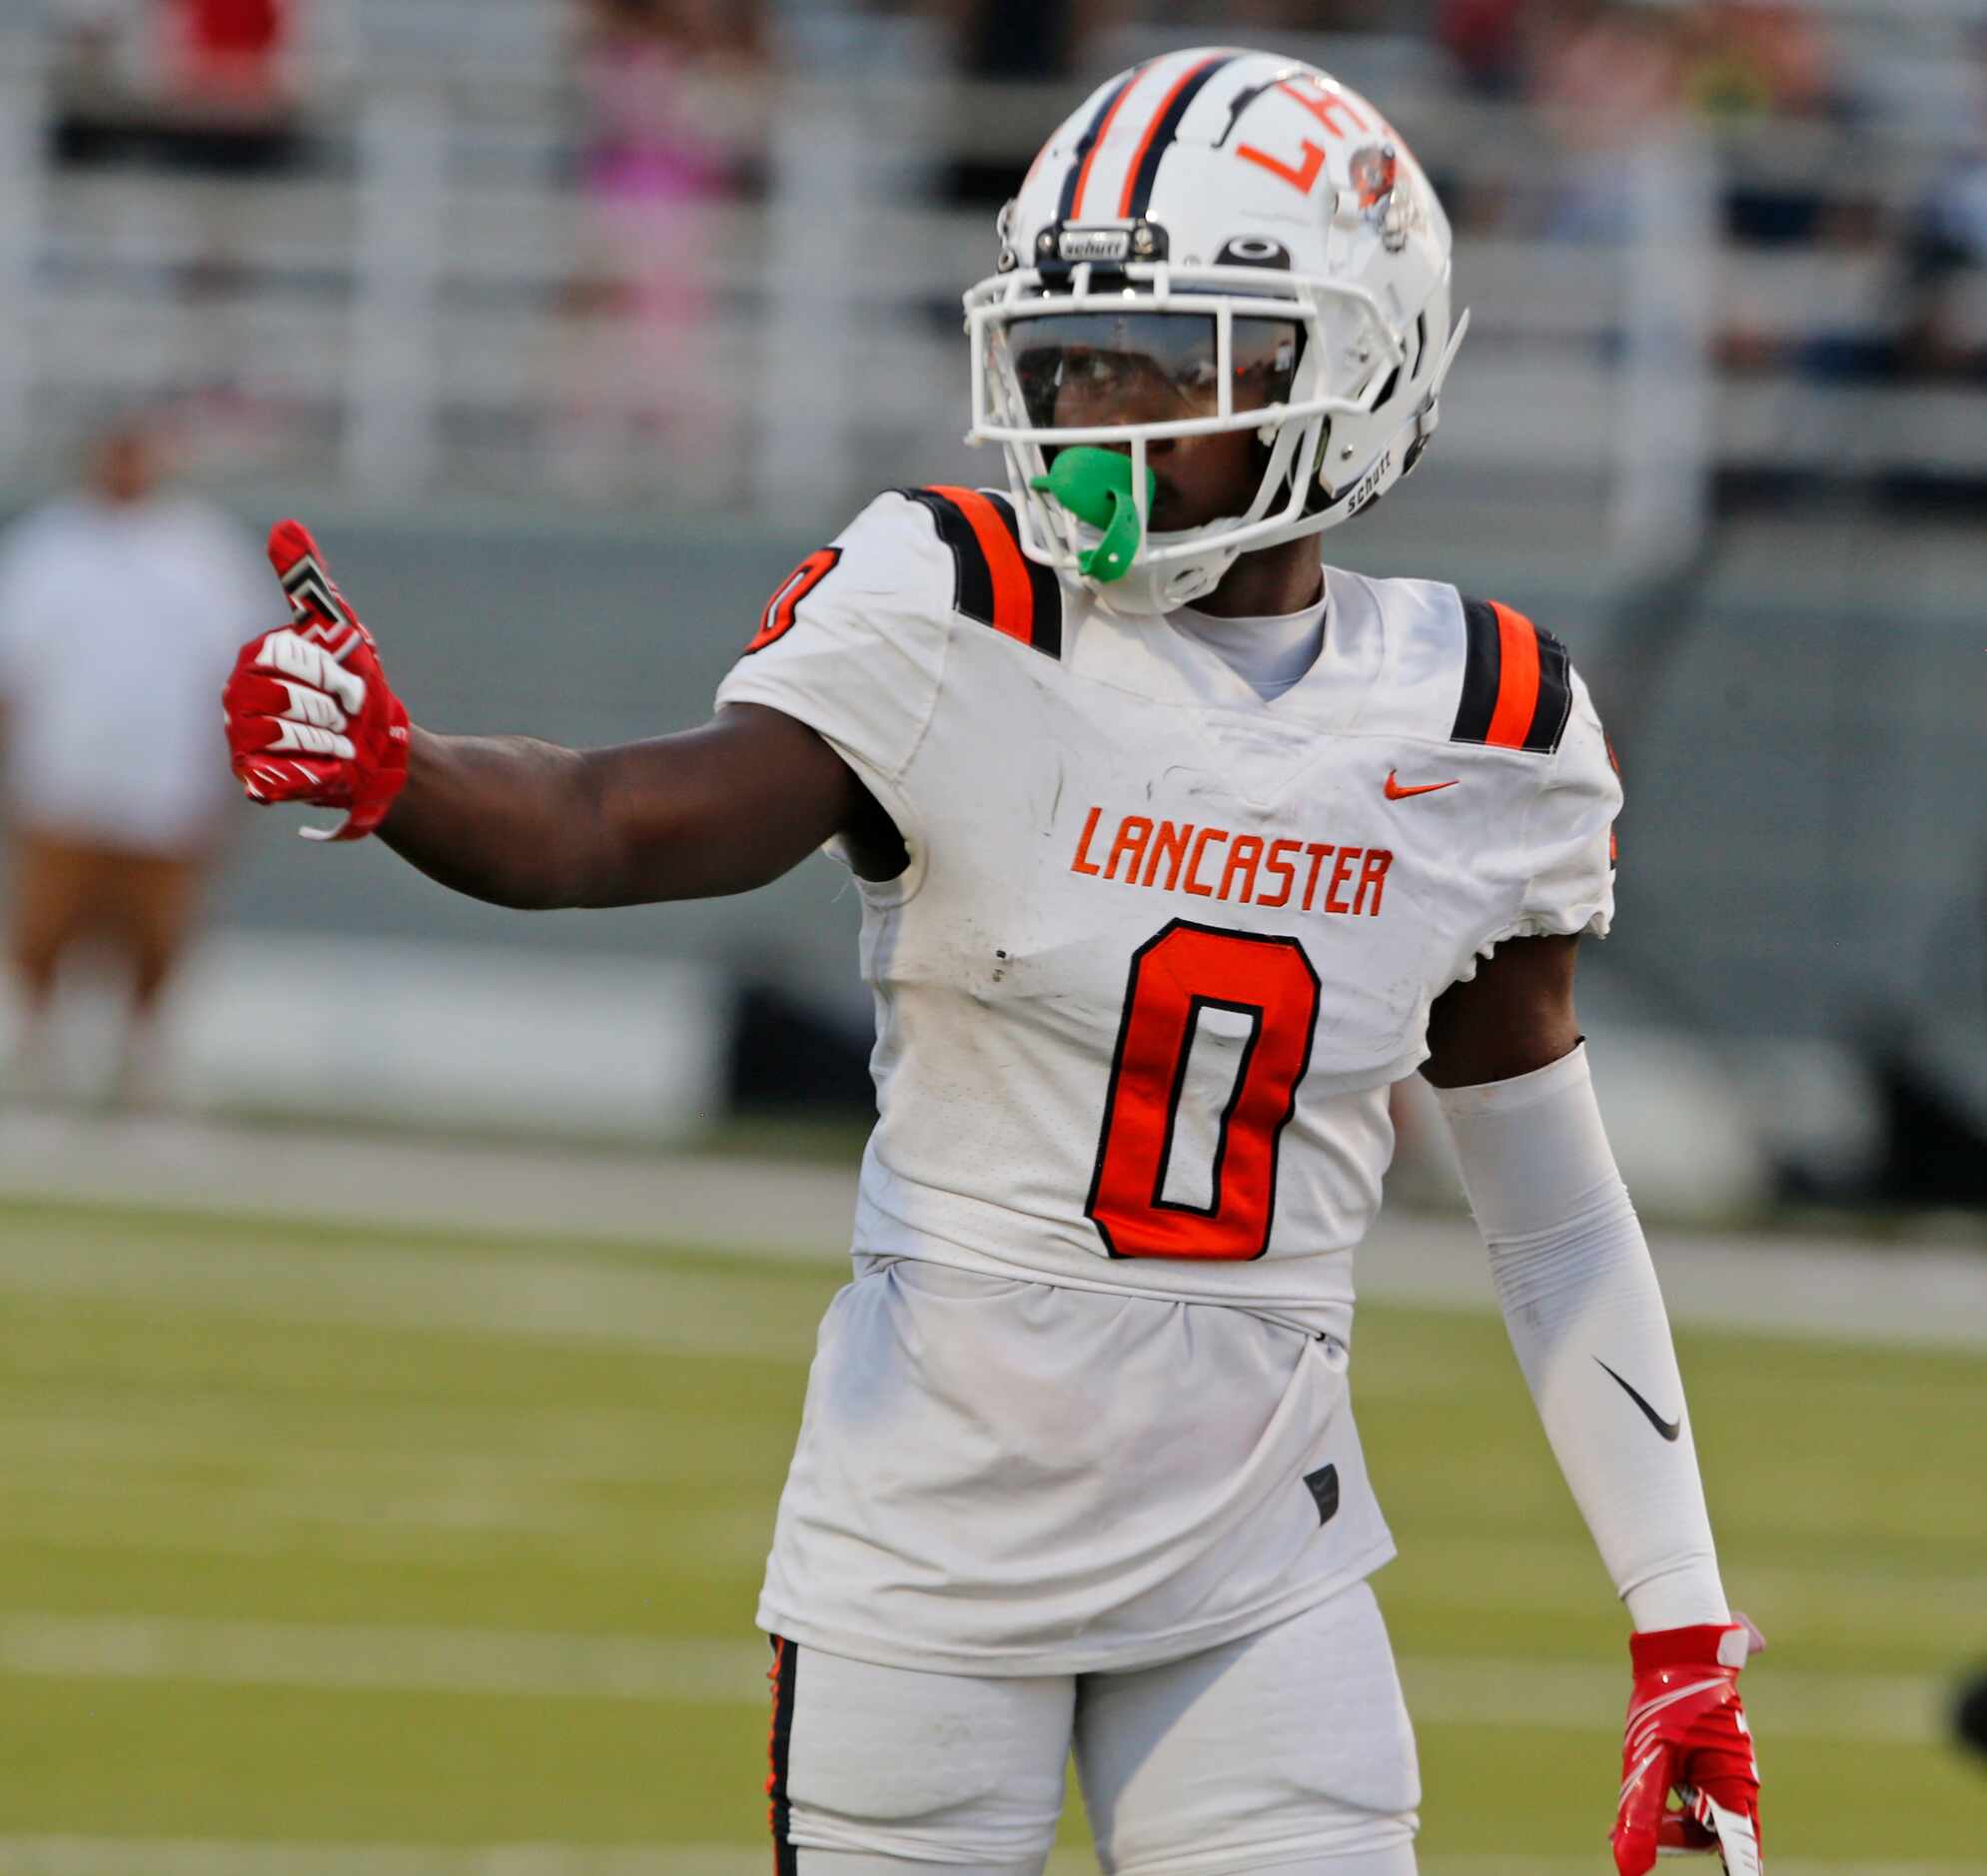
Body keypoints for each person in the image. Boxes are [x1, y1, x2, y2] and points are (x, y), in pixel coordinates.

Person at [221, 48, 1764, 1876]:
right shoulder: (954, 603)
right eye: (1067, 357)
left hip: (1260, 1576)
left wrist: (1676, 1615)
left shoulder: (1479, 722)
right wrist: (399, 773)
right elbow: (614, 819)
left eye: (1159, 359)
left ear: (1342, 370)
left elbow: (1555, 1218)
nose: (1089, 413)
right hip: (922, 1570)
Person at [1, 411, 266, 1106]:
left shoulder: (202, 553)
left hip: (164, 786)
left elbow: (238, 679)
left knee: (156, 936)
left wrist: (230, 779)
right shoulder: (47, 548)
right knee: (44, 927)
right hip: (63, 778)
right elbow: (14, 676)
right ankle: (37, 1061)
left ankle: (143, 1066)